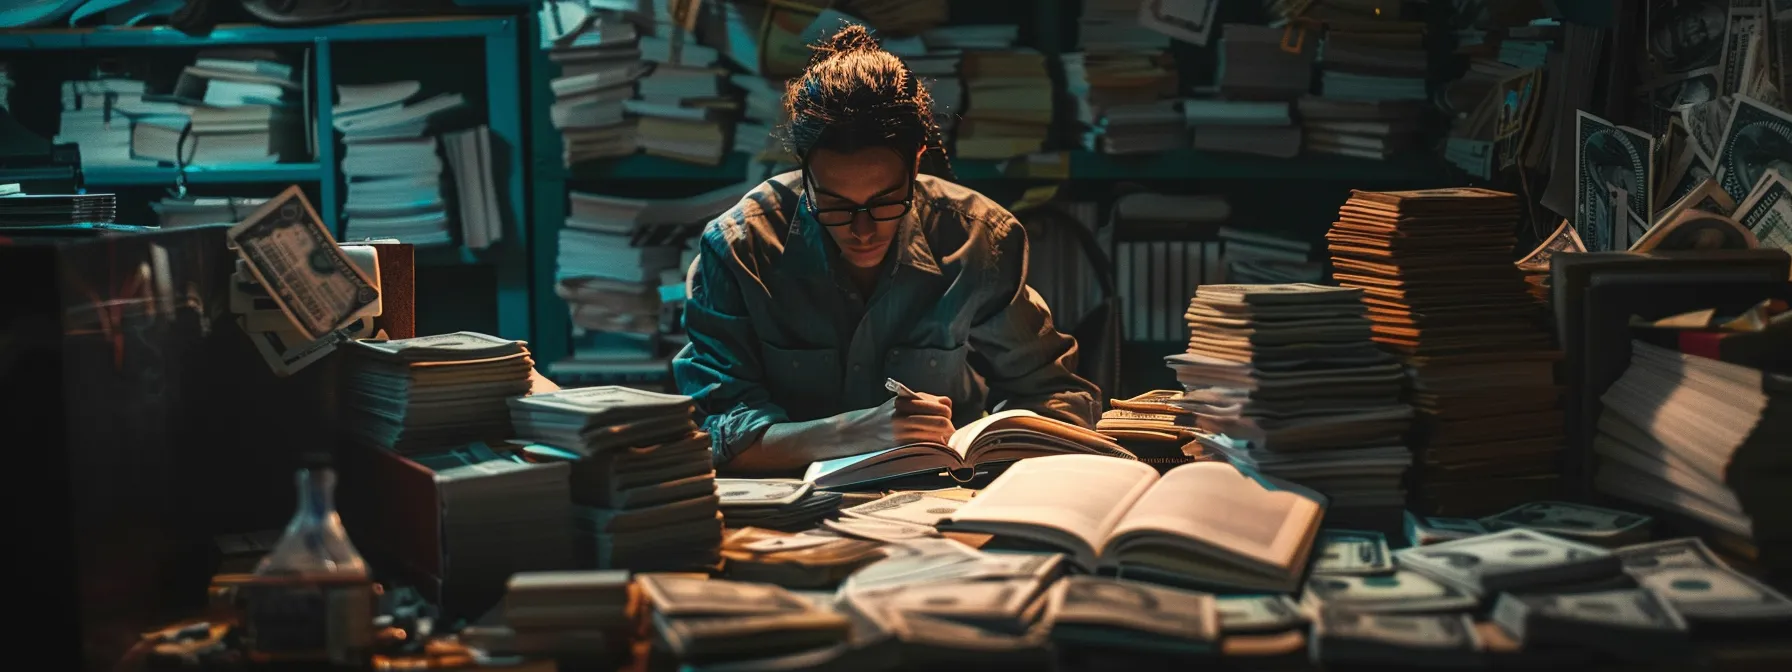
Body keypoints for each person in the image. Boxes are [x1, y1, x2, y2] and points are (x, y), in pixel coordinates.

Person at [672, 24, 1099, 475]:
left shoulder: (978, 240)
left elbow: (1056, 392)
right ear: (805, 171)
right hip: (789, 510)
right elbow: (719, 433)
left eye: (885, 201)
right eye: (834, 204)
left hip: (944, 495)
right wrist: (855, 432)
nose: (862, 230)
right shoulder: (741, 248)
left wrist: (999, 444)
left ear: (916, 160)